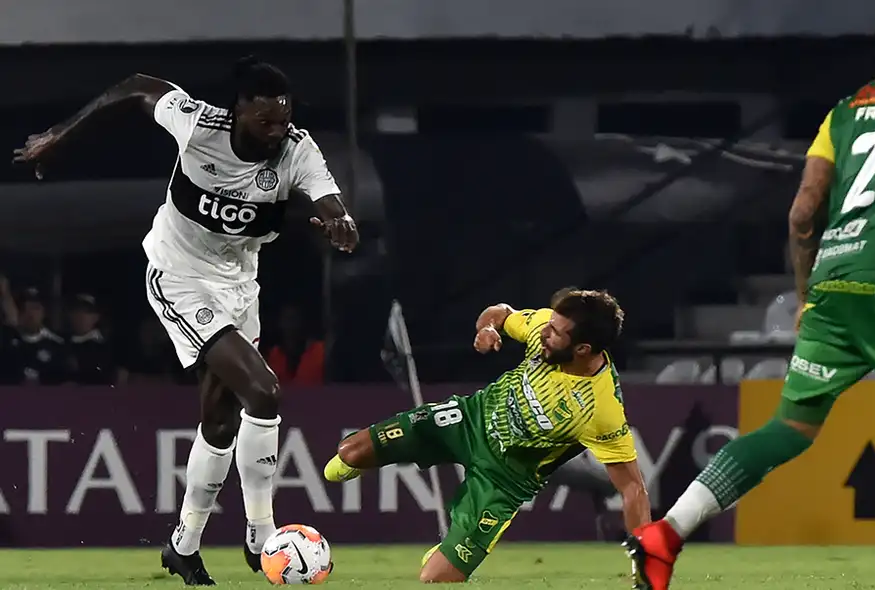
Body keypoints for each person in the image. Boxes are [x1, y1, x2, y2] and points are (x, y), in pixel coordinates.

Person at [626, 2, 875, 590]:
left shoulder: (842, 112)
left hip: (831, 281)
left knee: (790, 428)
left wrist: (804, 296)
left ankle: (664, 535)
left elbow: (802, 212)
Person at [13, 56, 359, 585]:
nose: (276, 130)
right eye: (266, 120)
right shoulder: (197, 123)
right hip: (178, 277)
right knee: (263, 391)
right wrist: (61, 134)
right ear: (239, 110)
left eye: (283, 118)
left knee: (220, 423)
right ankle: (262, 534)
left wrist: (341, 223)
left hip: (240, 287)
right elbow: (134, 87)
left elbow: (330, 202)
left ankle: (183, 545)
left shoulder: (297, 149)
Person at [324, 289, 650, 582]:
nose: (545, 332)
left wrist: (645, 562)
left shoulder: (601, 409)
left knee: (436, 577)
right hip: (469, 419)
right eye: (549, 324)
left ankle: (449, 549)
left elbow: (632, 488)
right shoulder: (543, 326)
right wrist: (487, 329)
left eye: (555, 332)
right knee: (349, 453)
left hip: (504, 479)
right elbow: (499, 312)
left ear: (582, 348)